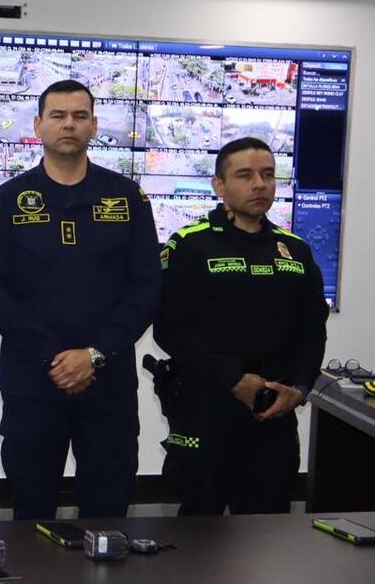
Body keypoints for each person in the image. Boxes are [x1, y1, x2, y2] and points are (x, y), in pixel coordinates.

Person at [0, 79, 160, 520]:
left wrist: (94, 355)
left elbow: (147, 288)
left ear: (94, 125)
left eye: (79, 116)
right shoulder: (9, 199)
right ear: (38, 125)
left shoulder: (127, 197)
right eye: (58, 116)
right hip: (32, 384)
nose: (69, 125)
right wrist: (53, 358)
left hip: (108, 384)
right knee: (31, 514)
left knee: (108, 515)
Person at [154, 136, 328, 515]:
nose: (260, 184)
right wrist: (234, 379)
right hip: (207, 408)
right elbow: (170, 330)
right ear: (219, 185)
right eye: (245, 175)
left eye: (268, 175)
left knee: (267, 530)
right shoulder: (189, 245)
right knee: (200, 534)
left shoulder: (295, 249)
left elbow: (312, 330)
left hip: (275, 412)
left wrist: (299, 388)